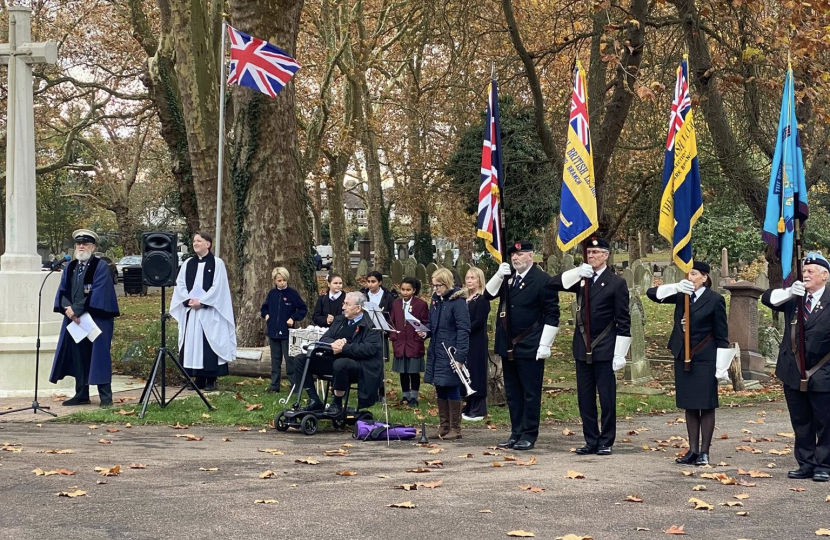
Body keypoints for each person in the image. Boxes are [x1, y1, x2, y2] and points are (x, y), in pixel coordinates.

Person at [551, 236, 631, 456]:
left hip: (605, 346)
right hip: (582, 345)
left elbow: (623, 321)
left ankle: (606, 440)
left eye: (596, 253)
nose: (591, 256)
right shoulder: (582, 279)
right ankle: (591, 440)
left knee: (606, 398)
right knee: (585, 398)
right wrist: (577, 272)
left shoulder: (616, 283)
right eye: (589, 253)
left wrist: (620, 354)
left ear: (606, 255)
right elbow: (553, 284)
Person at [647, 260, 728, 467]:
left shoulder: (714, 299)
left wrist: (722, 366)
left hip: (704, 356)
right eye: (688, 274)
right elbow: (651, 294)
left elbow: (722, 334)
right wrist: (675, 287)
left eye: (693, 274)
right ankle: (692, 450)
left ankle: (704, 452)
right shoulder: (681, 295)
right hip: (683, 355)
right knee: (690, 404)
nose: (690, 278)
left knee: (706, 405)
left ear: (704, 277)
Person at [484, 241, 560, 451]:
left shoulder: (543, 280)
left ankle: (529, 433)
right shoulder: (508, 278)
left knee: (530, 392)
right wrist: (499, 275)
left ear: (531, 256)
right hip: (507, 344)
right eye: (513, 255)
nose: (515, 258)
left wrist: (545, 344)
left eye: (520, 254)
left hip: (530, 344)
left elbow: (552, 314)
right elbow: (488, 295)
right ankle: (516, 432)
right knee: (513, 393)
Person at [761, 252, 830, 482]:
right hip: (793, 371)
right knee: (801, 421)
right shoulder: (795, 297)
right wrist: (790, 291)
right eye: (804, 270)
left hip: (824, 371)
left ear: (825, 275)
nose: (805, 274)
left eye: (811, 271)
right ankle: (806, 462)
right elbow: (766, 298)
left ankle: (824, 464)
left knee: (825, 421)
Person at [50, 229, 120, 407]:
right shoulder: (71, 267)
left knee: (99, 355)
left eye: (85, 244)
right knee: (78, 355)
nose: (81, 247)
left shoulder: (101, 266)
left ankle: (105, 397)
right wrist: (68, 309)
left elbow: (99, 291)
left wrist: (77, 309)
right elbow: (63, 290)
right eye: (78, 244)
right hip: (75, 320)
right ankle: (81, 394)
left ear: (93, 246)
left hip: (97, 318)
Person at [290, 291, 383, 417]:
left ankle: (337, 404)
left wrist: (344, 348)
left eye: (347, 304)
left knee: (340, 364)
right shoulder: (340, 320)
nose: (343, 307)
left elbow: (369, 349)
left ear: (358, 308)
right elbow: (324, 339)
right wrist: (334, 343)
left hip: (360, 365)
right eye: (343, 303)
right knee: (300, 359)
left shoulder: (371, 324)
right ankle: (314, 400)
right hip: (334, 358)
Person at [170, 231, 236, 391]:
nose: (195, 243)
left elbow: (218, 286)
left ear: (208, 244)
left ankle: (211, 379)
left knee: (208, 342)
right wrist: (188, 300)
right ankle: (197, 378)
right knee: (193, 343)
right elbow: (180, 284)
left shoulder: (217, 263)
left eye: (199, 241)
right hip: (192, 312)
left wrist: (203, 301)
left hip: (209, 311)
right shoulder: (188, 264)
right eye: (194, 241)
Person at [420, 268, 470, 440]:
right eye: (433, 286)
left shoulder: (458, 303)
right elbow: (432, 324)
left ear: (447, 283)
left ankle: (455, 428)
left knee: (452, 386)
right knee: (439, 385)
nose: (435, 289)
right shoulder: (436, 301)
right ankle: (444, 425)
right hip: (436, 349)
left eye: (438, 285)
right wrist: (425, 332)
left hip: (451, 350)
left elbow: (463, 330)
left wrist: (460, 357)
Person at [261, 267, 307, 393]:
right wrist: (266, 315)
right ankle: (274, 385)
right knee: (275, 360)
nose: (282, 283)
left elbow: (303, 309)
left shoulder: (292, 294)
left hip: (287, 333)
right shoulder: (272, 294)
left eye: (284, 280)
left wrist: (293, 318)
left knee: (289, 359)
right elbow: (264, 308)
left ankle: (294, 385)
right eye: (279, 280)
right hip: (273, 332)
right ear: (275, 281)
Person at [389, 277, 428, 408]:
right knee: (403, 371)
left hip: (414, 342)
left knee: (413, 371)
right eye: (403, 289)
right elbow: (392, 322)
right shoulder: (396, 304)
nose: (405, 292)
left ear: (414, 290)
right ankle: (405, 395)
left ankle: (414, 397)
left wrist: (421, 334)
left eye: (408, 290)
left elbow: (425, 322)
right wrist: (393, 336)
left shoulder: (421, 304)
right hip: (400, 342)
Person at [463, 266, 491, 421]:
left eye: (473, 278)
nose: (469, 281)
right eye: (467, 278)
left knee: (476, 371)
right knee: (467, 371)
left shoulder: (482, 299)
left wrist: (464, 329)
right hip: (465, 341)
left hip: (477, 340)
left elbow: (479, 321)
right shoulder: (464, 299)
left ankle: (479, 407)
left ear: (480, 280)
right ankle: (469, 403)